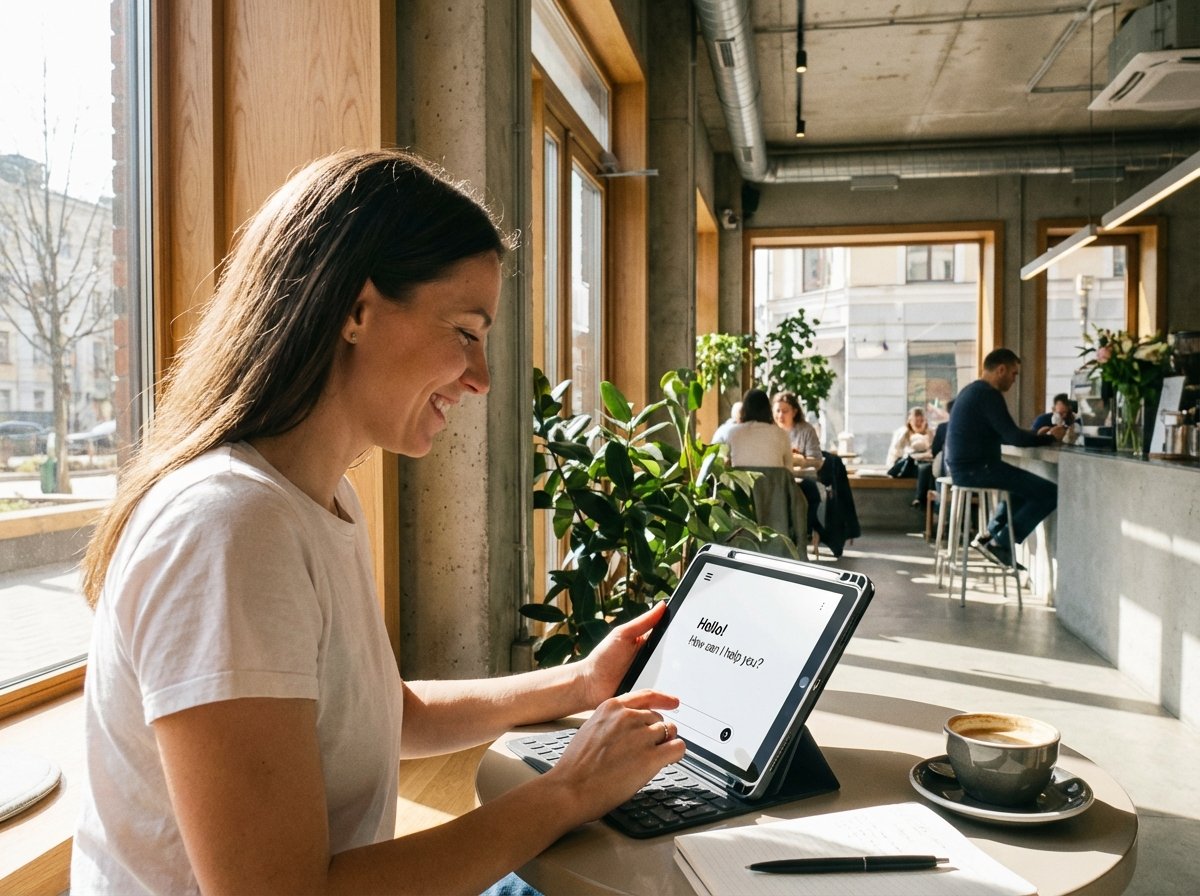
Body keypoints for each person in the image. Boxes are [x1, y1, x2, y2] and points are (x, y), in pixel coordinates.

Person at [71, 150, 687, 896]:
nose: (482, 377)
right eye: (466, 330)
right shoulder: (229, 528)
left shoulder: (317, 500)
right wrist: (568, 791)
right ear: (356, 311)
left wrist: (581, 683)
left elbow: (383, 713)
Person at [945, 348, 1068, 569]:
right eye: (1013, 373)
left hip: (966, 469)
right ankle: (1001, 543)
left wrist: (1034, 436)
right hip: (978, 469)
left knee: (1022, 488)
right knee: (1050, 493)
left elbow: (1005, 434)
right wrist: (1049, 438)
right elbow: (1012, 436)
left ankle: (988, 535)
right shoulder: (988, 394)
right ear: (1001, 369)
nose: (1014, 380)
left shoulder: (972, 391)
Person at [771, 391, 825, 545]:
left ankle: (804, 534)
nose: (781, 415)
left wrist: (800, 461)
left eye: (785, 411)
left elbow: (818, 461)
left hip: (801, 477)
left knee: (810, 493)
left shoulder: (806, 430)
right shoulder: (770, 430)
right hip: (777, 478)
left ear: (795, 411)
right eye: (777, 411)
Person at [713, 388, 793, 469]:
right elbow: (789, 470)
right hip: (774, 481)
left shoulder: (730, 433)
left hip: (741, 481)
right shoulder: (781, 434)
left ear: (743, 410)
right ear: (769, 410)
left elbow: (714, 463)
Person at [886, 407, 934, 506]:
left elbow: (933, 451)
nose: (919, 424)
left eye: (922, 421)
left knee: (928, 469)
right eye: (916, 421)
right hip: (908, 465)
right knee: (924, 468)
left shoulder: (931, 433)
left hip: (925, 465)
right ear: (910, 421)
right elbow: (896, 453)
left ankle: (924, 501)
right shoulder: (903, 433)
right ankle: (921, 500)